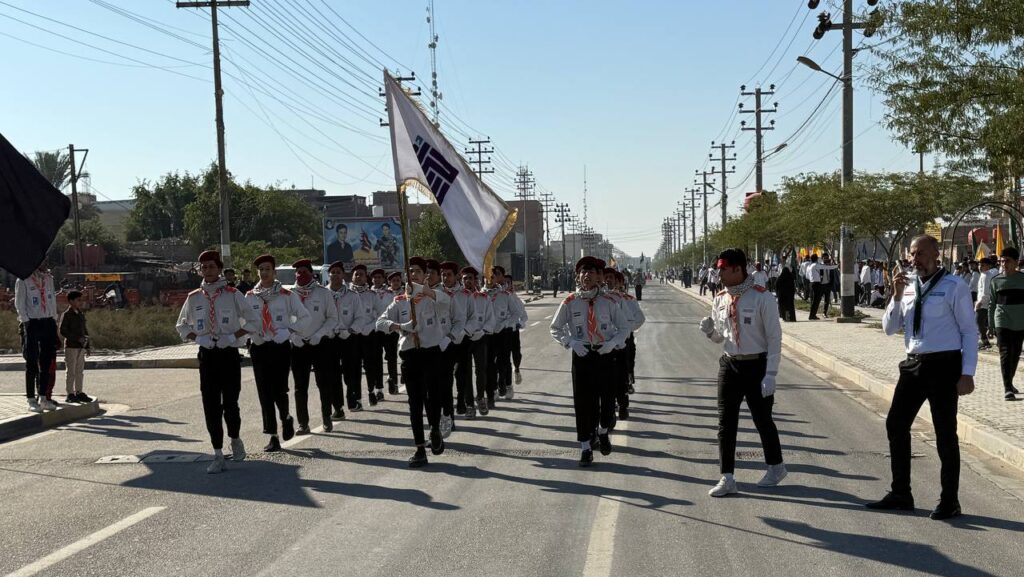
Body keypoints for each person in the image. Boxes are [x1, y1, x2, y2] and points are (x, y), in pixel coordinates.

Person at [868, 235, 976, 520]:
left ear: (936, 255)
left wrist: (968, 373)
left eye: (921, 254)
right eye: (912, 255)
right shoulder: (908, 288)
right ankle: (901, 493)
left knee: (944, 434)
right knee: (895, 424)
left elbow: (969, 331)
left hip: (945, 366)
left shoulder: (955, 286)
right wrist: (894, 296)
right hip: (913, 364)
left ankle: (949, 500)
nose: (915, 260)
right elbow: (890, 329)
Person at [699, 248, 786, 497]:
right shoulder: (720, 298)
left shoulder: (762, 297)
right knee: (725, 421)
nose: (719, 274)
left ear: (738, 269)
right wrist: (708, 332)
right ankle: (727, 477)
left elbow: (774, 338)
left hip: (756, 365)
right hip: (730, 364)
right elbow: (720, 338)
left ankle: (776, 466)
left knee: (762, 419)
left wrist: (771, 374)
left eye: (723, 270)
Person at [175, 250, 259, 474]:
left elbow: (253, 320)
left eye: (211, 266)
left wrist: (233, 336)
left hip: (228, 353)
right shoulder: (194, 297)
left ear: (219, 269)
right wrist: (198, 337)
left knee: (230, 402)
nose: (207, 271)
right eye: (203, 267)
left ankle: (235, 438)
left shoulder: (232, 294)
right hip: (208, 355)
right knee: (210, 404)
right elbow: (182, 326)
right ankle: (218, 453)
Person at [549, 256, 630, 467]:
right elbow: (555, 328)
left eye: (592, 272)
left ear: (600, 277)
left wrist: (612, 344)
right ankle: (585, 447)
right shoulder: (570, 301)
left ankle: (603, 431)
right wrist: (570, 343)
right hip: (582, 355)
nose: (587, 275)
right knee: (583, 403)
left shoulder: (610, 302)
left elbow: (624, 329)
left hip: (604, 354)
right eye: (583, 272)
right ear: (578, 276)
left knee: (606, 402)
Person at [377, 256, 446, 467]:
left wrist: (425, 291)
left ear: (425, 275)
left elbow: (447, 303)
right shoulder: (399, 300)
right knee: (414, 403)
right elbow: (380, 322)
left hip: (430, 353)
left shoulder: (434, 297)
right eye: (410, 271)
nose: (412, 274)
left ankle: (435, 429)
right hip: (409, 355)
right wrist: (401, 326)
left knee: (432, 398)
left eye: (417, 271)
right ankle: (419, 449)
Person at [245, 254, 309, 452]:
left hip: (279, 346)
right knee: (264, 392)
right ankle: (273, 435)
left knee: (279, 389)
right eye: (261, 269)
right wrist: (252, 334)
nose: (264, 273)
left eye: (267, 269)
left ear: (274, 272)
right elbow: (242, 320)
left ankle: (286, 417)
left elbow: (305, 317)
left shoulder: (286, 295)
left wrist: (288, 330)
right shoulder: (250, 296)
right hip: (259, 347)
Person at [289, 258, 339, 435]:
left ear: (312, 273)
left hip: (320, 343)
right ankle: (303, 423)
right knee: (300, 386)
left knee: (323, 383)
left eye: (304, 271)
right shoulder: (290, 294)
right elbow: (286, 319)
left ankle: (326, 417)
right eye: (298, 272)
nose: (300, 275)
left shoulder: (323, 293)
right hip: (298, 344)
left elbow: (333, 318)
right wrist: (293, 335)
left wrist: (319, 334)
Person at [327, 261, 369, 421]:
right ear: (329, 275)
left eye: (338, 272)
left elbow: (360, 317)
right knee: (333, 374)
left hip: (348, 338)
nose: (335, 275)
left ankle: (352, 395)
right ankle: (337, 407)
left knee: (350, 371)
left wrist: (350, 330)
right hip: (330, 338)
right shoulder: (323, 294)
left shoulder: (352, 296)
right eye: (333, 272)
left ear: (343, 275)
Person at [16, 260, 59, 412]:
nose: (44, 263)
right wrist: (26, 322)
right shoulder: (23, 279)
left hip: (48, 322)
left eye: (45, 260)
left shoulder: (49, 279)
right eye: (41, 261)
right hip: (33, 323)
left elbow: (52, 300)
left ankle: (43, 397)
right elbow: (19, 303)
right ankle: (31, 399)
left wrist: (54, 319)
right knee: (32, 361)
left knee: (46, 361)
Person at [987, 247, 1024, 401]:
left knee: (1015, 354)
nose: (1004, 264)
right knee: (1005, 352)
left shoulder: (1022, 279)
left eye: (1007, 261)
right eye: (1002, 261)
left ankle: (1010, 380)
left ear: (1016, 262)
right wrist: (990, 325)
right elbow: (992, 304)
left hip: (1020, 322)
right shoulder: (995, 281)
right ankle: (1007, 387)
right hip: (1002, 320)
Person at [350, 264, 383, 408]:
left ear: (366, 277)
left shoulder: (372, 295)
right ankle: (357, 398)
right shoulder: (347, 294)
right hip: (353, 335)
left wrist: (370, 327)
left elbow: (382, 315)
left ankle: (371, 391)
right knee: (354, 368)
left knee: (370, 366)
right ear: (352, 277)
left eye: (361, 274)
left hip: (369, 335)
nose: (358, 277)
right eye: (356, 274)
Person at [462, 267, 491, 417]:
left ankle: (480, 397)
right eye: (465, 278)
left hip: (480, 338)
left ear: (475, 280)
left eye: (470, 278)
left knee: (481, 370)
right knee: (465, 373)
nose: (467, 281)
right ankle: (469, 405)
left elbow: (490, 318)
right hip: (464, 339)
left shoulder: (483, 298)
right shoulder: (458, 297)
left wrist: (483, 331)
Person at [485, 266, 515, 404]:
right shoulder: (481, 295)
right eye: (488, 276)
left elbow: (517, 314)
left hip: (503, 332)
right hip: (487, 334)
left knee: (503, 362)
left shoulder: (506, 295)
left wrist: (505, 323)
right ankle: (493, 389)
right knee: (489, 364)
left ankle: (507, 385)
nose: (490, 279)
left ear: (497, 278)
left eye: (493, 276)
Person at [58, 290, 93, 404]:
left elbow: (84, 330)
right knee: (71, 371)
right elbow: (63, 331)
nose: (80, 302)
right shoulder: (67, 315)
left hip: (81, 347)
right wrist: (76, 338)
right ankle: (70, 393)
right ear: (71, 301)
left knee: (79, 371)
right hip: (71, 346)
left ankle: (79, 392)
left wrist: (87, 345)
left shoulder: (80, 314)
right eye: (78, 300)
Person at [372, 268, 397, 399]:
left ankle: (393, 381)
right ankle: (379, 388)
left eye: (379, 277)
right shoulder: (369, 293)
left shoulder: (391, 293)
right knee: (377, 360)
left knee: (391, 358)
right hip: (375, 331)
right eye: (375, 277)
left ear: (383, 279)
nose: (377, 279)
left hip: (389, 330)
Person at [508, 278, 529, 389]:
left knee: (516, 354)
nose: (507, 285)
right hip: (499, 333)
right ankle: (505, 384)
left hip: (513, 331)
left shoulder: (517, 300)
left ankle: (516, 369)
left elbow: (524, 317)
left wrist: (519, 324)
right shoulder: (495, 298)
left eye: (509, 283)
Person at [975, 256, 997, 350]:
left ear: (988, 266)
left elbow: (986, 292)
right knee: (985, 322)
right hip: (982, 302)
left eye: (982, 265)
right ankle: (989, 340)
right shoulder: (983, 275)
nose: (980, 266)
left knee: (979, 321)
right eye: (979, 264)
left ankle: (985, 341)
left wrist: (980, 302)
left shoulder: (987, 276)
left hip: (984, 303)